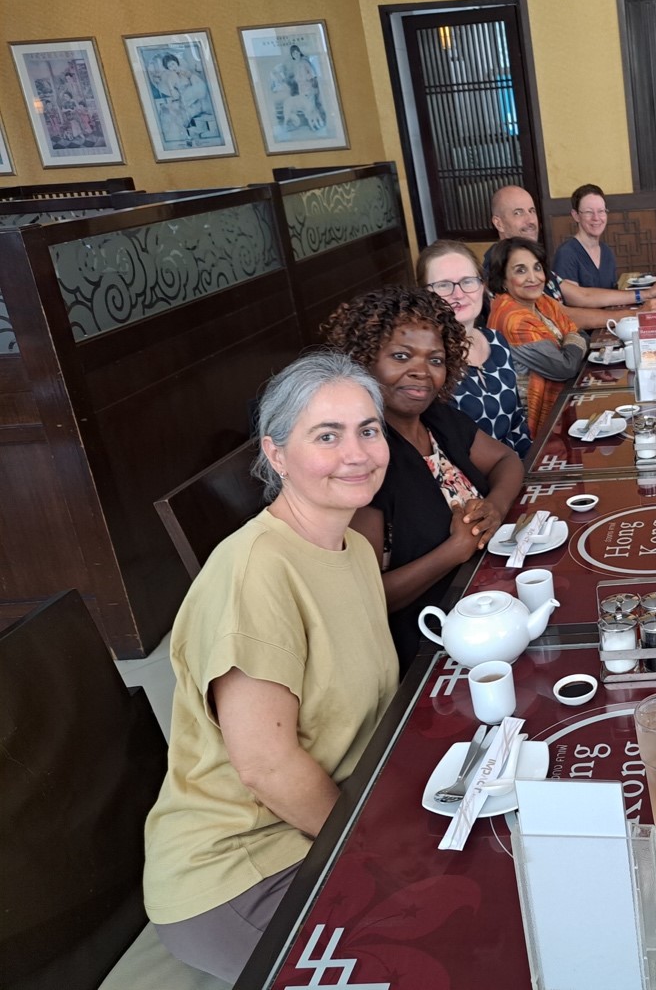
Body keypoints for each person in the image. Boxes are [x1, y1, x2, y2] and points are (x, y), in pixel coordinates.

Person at [143, 353, 399, 982]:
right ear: (277, 454)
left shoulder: (352, 547)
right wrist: (378, 856)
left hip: (326, 819)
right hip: (242, 867)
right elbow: (267, 765)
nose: (358, 452)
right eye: (327, 435)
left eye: (369, 429)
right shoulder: (254, 573)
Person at [324, 286, 524, 669]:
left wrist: (495, 508)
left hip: (485, 601)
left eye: (435, 360)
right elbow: (364, 597)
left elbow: (507, 461)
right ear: (363, 361)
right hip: (431, 642)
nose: (421, 371)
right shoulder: (363, 460)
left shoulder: (436, 419)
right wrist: (454, 550)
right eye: (401, 356)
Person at [487, 185, 656, 331]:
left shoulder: (532, 259)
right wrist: (638, 313)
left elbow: (583, 294)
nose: (530, 220)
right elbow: (564, 314)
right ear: (498, 223)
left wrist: (645, 294)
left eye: (532, 211)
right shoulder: (498, 264)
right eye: (518, 213)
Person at [416, 238, 532, 458]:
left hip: (518, 470)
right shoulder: (426, 361)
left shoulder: (496, 341)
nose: (458, 294)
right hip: (471, 485)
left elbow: (517, 424)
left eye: (468, 281)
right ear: (424, 294)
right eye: (443, 285)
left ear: (482, 286)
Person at [487, 236, 589, 436]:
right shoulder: (512, 320)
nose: (533, 278)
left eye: (537, 268)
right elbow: (565, 367)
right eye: (520, 270)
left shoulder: (543, 302)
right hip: (529, 425)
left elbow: (579, 332)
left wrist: (574, 340)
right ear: (503, 279)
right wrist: (574, 339)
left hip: (564, 400)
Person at [552, 183, 619, 289]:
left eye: (601, 211)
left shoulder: (607, 252)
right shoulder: (566, 254)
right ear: (576, 216)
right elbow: (573, 299)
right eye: (589, 212)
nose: (596, 218)